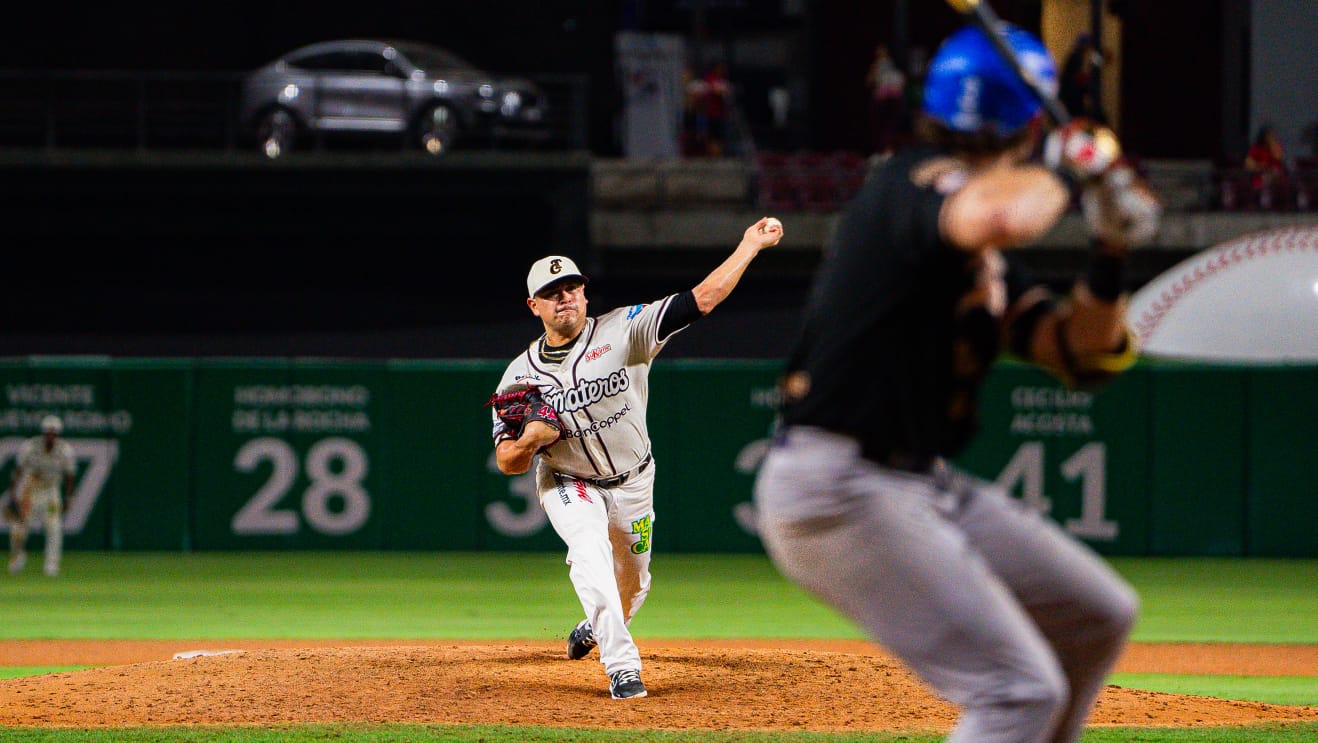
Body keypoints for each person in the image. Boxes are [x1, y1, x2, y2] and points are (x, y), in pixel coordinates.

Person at [752, 23, 1160, 743]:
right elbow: (998, 209)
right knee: (1017, 689)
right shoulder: (913, 182)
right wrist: (1078, 172)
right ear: (1033, 125)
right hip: (839, 487)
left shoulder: (972, 240)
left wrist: (1109, 250)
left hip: (917, 481)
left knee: (1099, 612)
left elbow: (1077, 352)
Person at [491, 217, 783, 700]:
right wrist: (528, 442)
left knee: (633, 588)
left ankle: (597, 625)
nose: (565, 296)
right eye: (552, 291)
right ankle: (622, 668)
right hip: (569, 481)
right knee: (589, 556)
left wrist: (748, 245)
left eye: (572, 286)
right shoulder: (518, 378)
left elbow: (702, 298)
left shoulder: (626, 329)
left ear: (585, 293)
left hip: (633, 482)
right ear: (534, 305)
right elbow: (507, 462)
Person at [6, 415, 75, 577]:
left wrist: (68, 497)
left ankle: (51, 565)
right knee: (19, 527)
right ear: (44, 433)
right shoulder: (30, 447)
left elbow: (70, 476)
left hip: (51, 491)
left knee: (54, 527)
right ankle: (18, 556)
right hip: (30, 489)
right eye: (48, 432)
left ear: (58, 434)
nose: (50, 435)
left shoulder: (65, 450)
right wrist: (12, 494)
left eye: (54, 432)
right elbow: (19, 471)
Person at [865, 44, 907, 154]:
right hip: (880, 99)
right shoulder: (875, 66)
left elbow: (903, 81)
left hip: (894, 99)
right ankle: (882, 151)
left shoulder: (896, 65)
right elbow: (869, 82)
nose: (881, 54)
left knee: (892, 127)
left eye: (883, 51)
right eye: (879, 51)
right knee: (879, 127)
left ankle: (891, 150)